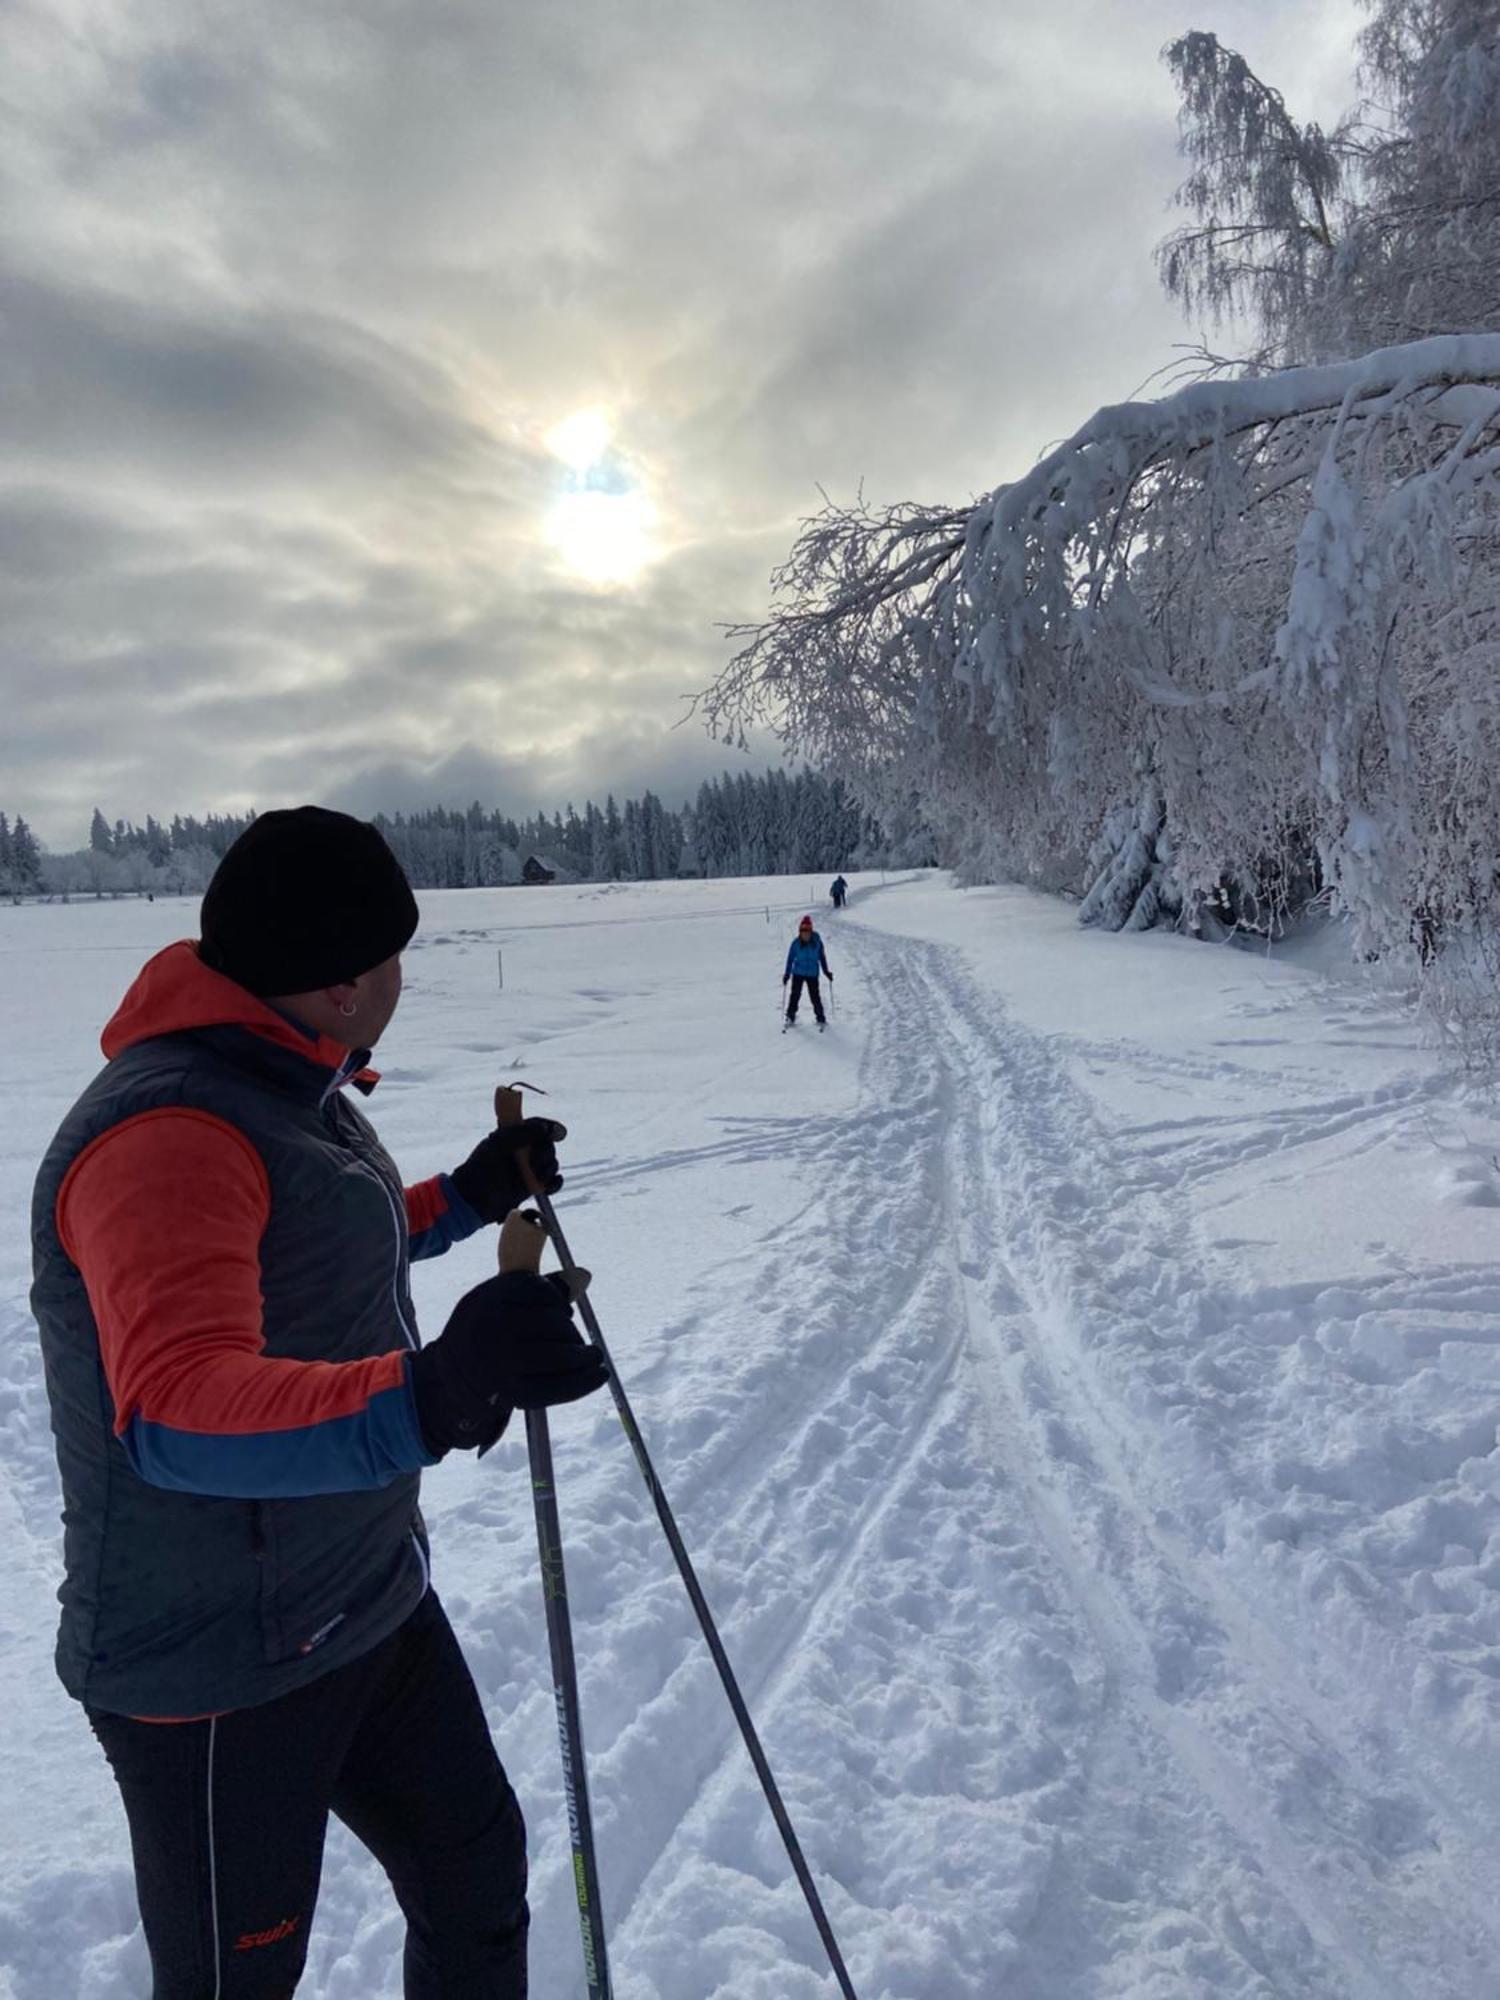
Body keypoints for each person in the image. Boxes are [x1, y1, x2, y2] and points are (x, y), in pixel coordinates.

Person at [30, 805, 608, 1999]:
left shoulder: (283, 1076)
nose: (408, 970)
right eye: (396, 948)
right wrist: (436, 1389)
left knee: (476, 1880)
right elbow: (178, 1412)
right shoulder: (166, 1133)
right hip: (214, 1667)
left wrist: (464, 1192)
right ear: (343, 982)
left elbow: (323, 1242)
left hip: (364, 1596)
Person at [782, 914, 832, 1029]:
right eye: (803, 931)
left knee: (815, 996)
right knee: (795, 995)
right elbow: (790, 959)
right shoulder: (795, 944)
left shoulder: (817, 942)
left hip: (812, 974)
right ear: (800, 932)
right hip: (798, 973)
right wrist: (787, 974)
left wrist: (826, 972)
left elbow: (822, 957)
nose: (805, 934)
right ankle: (790, 1016)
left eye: (807, 931)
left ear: (811, 931)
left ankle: (820, 1018)